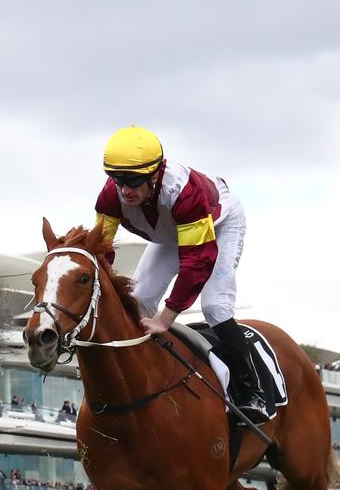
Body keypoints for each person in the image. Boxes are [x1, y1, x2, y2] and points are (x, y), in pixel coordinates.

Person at [95, 125, 269, 423]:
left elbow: (196, 262)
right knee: (138, 302)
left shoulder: (182, 190)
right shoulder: (111, 196)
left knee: (215, 305)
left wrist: (166, 318)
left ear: (154, 175)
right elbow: (102, 249)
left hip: (217, 226)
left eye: (134, 181)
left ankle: (255, 393)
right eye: (119, 179)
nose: (125, 190)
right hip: (172, 233)